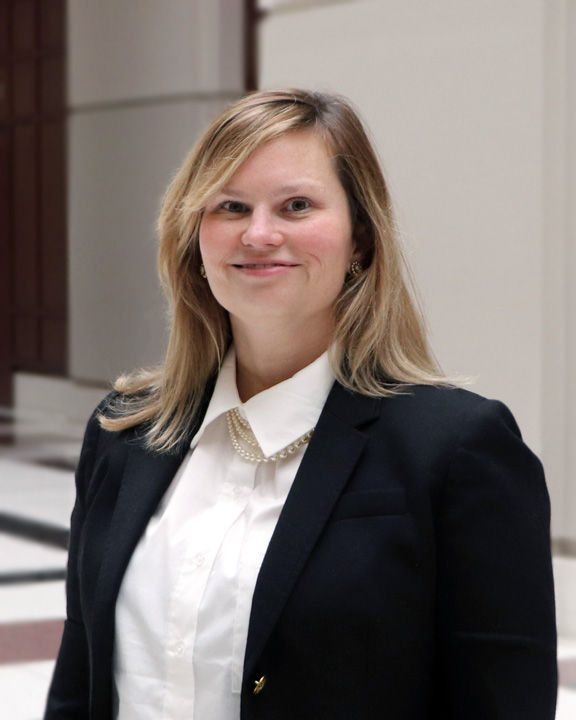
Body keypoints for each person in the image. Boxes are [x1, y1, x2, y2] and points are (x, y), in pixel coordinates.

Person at [44, 88, 557, 720]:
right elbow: (79, 673)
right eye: (231, 206)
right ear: (195, 237)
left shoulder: (457, 448)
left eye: (297, 205)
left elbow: (502, 701)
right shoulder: (127, 430)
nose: (260, 234)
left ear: (360, 239)